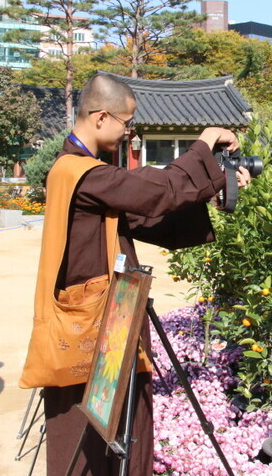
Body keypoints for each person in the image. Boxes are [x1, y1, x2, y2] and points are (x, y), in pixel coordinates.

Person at [31, 73, 250, 476]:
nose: (129, 133)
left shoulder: (85, 172)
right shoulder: (79, 172)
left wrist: (217, 183)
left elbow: (145, 212)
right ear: (100, 118)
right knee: (90, 428)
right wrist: (203, 143)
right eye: (126, 123)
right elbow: (158, 189)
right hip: (94, 326)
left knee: (117, 422)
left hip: (109, 316)